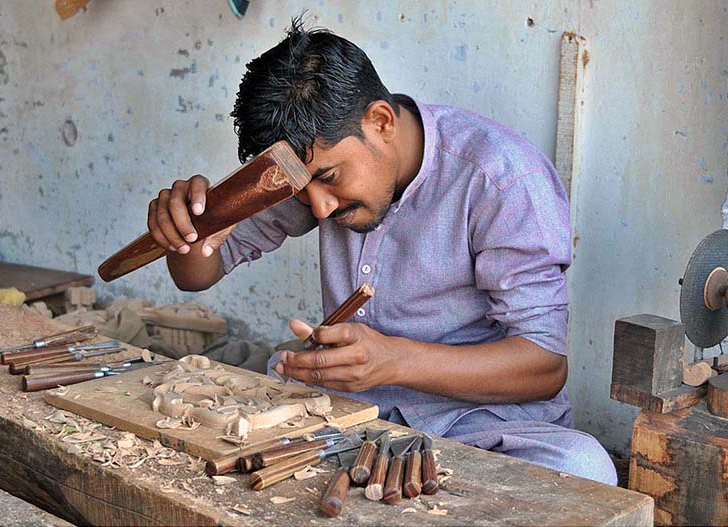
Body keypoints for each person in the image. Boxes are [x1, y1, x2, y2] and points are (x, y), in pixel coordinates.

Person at [147, 20, 617, 485]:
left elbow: (545, 365)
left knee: (583, 468)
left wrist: (394, 361)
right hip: (344, 416)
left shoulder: (503, 180)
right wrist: (193, 228)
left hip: (483, 425)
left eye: (329, 178)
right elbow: (196, 275)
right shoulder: (309, 170)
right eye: (301, 187)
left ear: (381, 122)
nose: (320, 206)